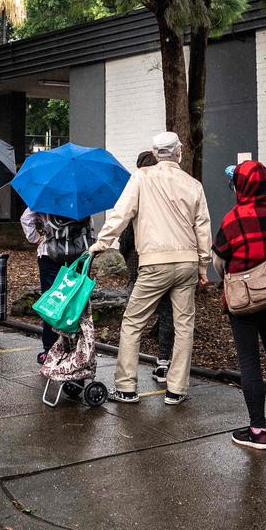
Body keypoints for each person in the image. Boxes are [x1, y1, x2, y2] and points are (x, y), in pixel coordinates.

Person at [88, 132, 211, 406]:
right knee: (184, 325)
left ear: (156, 154)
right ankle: (176, 389)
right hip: (188, 261)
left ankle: (126, 387)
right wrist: (204, 265)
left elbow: (122, 212)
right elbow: (202, 226)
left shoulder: (142, 177)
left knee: (133, 322)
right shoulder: (193, 184)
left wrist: (101, 243)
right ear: (179, 152)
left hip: (155, 262)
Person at [212, 160, 266, 450]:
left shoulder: (232, 219)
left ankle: (258, 430)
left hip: (241, 302)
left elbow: (219, 260)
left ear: (240, 186)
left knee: (249, 362)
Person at [118, 150, 175, 383]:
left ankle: (127, 380)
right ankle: (164, 363)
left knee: (132, 320)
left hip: (140, 268)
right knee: (167, 315)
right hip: (169, 264)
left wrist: (125, 252)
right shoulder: (169, 195)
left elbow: (126, 239)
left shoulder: (139, 194)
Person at [21, 206, 93, 362]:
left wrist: (36, 238)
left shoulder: (46, 197)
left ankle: (50, 350)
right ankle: (74, 349)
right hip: (78, 255)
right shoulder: (82, 198)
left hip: (50, 255)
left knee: (52, 302)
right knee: (74, 303)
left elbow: (26, 218)